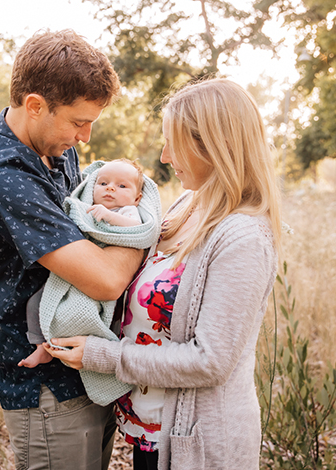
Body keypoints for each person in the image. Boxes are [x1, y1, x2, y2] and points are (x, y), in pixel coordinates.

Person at [46, 78, 282, 470]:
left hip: (200, 448)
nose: (165, 156)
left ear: (213, 145)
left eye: (174, 143)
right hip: (151, 432)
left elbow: (209, 361)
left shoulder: (243, 237)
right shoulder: (189, 203)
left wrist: (103, 356)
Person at [0, 30, 143, 470]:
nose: (86, 136)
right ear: (36, 106)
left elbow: (95, 234)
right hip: (47, 389)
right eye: (78, 122)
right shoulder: (1, 178)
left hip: (90, 367)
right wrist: (140, 226)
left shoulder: (55, 151)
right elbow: (106, 280)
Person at [19, 159, 147, 369]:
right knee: (36, 302)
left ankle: (100, 343)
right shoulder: (86, 208)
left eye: (122, 186)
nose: (110, 188)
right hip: (81, 266)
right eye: (103, 183)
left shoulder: (127, 211)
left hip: (106, 270)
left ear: (137, 198)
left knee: (106, 312)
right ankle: (41, 344)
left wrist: (109, 216)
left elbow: (136, 228)